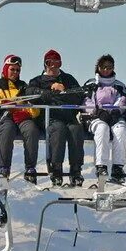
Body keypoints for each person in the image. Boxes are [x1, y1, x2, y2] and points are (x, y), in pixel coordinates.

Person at [26, 49, 85, 187]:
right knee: (58, 130)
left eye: (56, 63)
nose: (52, 66)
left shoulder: (68, 79)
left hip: (68, 116)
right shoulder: (38, 81)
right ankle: (56, 168)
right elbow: (30, 92)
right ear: (45, 64)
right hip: (49, 117)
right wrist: (48, 92)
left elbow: (79, 95)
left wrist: (63, 92)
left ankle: (76, 169)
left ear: (60, 64)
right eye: (49, 63)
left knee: (76, 129)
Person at [0, 53, 41, 182]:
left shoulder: (24, 87)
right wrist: (1, 103)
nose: (15, 72)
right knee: (7, 129)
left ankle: (30, 168)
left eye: (17, 70)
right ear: (5, 69)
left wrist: (25, 111)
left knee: (31, 130)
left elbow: (34, 109)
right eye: (12, 69)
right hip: (3, 115)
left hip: (20, 117)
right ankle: (4, 169)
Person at [82, 54, 126, 183]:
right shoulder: (91, 84)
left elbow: (122, 100)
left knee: (121, 130)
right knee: (102, 129)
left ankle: (118, 167)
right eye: (103, 67)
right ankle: (101, 166)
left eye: (109, 67)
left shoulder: (119, 86)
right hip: (95, 117)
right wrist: (97, 111)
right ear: (98, 68)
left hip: (114, 116)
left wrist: (115, 111)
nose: (106, 70)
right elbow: (87, 102)